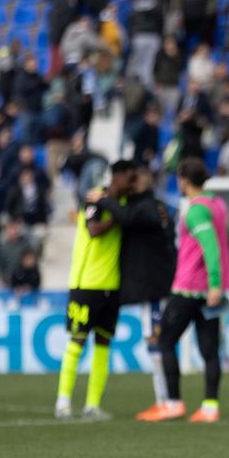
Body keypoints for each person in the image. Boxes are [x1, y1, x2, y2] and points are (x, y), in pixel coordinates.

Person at [150, 159, 229, 423]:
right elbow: (225, 239)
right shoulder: (218, 205)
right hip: (209, 291)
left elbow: (210, 245)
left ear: (184, 180)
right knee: (209, 349)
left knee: (164, 341)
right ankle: (210, 407)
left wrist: (215, 282)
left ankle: (173, 402)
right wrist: (217, 284)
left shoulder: (196, 211)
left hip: (190, 287)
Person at [55, 161, 135, 420]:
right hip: (85, 284)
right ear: (117, 177)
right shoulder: (96, 200)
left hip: (110, 286)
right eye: (129, 179)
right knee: (77, 342)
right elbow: (94, 230)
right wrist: (120, 216)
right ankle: (63, 401)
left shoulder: (122, 203)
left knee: (103, 345)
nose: (132, 184)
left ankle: (92, 405)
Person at [109, 167, 177, 422]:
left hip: (156, 287)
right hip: (156, 285)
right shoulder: (153, 206)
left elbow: (126, 218)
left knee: (156, 340)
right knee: (155, 340)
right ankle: (165, 400)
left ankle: (166, 401)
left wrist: (105, 200)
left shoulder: (147, 207)